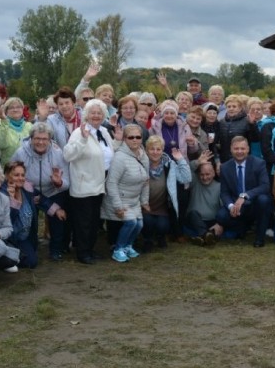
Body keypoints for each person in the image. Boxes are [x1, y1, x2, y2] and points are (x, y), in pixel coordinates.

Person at [62, 99, 114, 264]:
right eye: (93, 112)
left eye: (99, 113)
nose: (96, 116)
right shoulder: (79, 132)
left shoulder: (105, 132)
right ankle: (83, 253)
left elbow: (109, 154)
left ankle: (90, 249)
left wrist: (118, 140)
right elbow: (68, 155)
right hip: (83, 183)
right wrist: (83, 140)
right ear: (86, 115)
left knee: (94, 220)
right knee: (83, 221)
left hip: (99, 183)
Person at [11, 123, 70, 261]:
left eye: (44, 139)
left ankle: (56, 249)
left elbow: (67, 181)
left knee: (58, 218)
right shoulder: (20, 152)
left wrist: (59, 183)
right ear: (31, 138)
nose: (41, 142)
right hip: (28, 191)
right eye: (37, 138)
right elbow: (11, 175)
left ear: (50, 140)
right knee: (30, 220)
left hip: (53, 190)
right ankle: (31, 248)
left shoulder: (57, 152)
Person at [3, 160, 65, 269]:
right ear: (7, 175)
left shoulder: (27, 189)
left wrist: (56, 210)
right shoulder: (1, 193)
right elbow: (6, 220)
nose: (20, 178)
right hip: (7, 238)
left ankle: (11, 259)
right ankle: (4, 259)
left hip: (23, 238)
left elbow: (40, 199)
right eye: (16, 175)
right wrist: (12, 201)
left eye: (22, 175)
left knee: (32, 262)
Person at [212, 136, 272, 247]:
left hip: (254, 203)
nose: (239, 151)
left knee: (264, 199)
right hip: (237, 205)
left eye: (242, 148)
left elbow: (265, 186)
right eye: (236, 149)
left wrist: (245, 195)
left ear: (248, 149)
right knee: (221, 216)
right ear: (231, 149)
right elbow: (224, 192)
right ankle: (242, 227)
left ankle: (259, 238)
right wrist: (231, 206)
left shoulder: (259, 163)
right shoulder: (225, 167)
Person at [104, 124, 149, 262]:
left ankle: (128, 246)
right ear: (124, 139)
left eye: (138, 137)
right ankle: (118, 249)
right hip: (120, 198)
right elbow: (111, 183)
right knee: (130, 222)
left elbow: (146, 180)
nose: (135, 140)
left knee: (139, 224)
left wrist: (144, 201)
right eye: (131, 137)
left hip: (134, 199)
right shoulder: (119, 157)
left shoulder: (143, 155)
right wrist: (118, 206)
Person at [140, 136, 191, 251]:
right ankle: (147, 240)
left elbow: (186, 178)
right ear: (147, 150)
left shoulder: (170, 164)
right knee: (147, 222)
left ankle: (160, 237)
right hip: (144, 205)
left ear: (162, 150)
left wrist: (181, 160)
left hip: (162, 207)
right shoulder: (141, 164)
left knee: (162, 226)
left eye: (158, 149)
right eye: (152, 149)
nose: (155, 152)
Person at [185, 151, 221, 244]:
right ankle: (207, 235)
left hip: (211, 222)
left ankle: (202, 237)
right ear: (198, 174)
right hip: (193, 220)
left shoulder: (219, 186)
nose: (205, 177)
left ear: (213, 173)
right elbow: (186, 168)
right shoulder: (195, 182)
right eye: (202, 174)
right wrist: (198, 162)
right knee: (193, 214)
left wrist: (220, 224)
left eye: (208, 174)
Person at [216, 95, 259, 163]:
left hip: (242, 159)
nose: (231, 108)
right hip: (225, 160)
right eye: (229, 106)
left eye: (234, 106)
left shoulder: (247, 121)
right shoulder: (221, 122)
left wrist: (252, 124)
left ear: (240, 108)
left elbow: (255, 139)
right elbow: (217, 143)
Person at [0, 97, 32, 165]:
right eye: (11, 108)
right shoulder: (0, 124)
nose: (15, 110)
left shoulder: (29, 126)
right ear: (6, 111)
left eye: (18, 107)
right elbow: (1, 144)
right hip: (8, 168)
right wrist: (4, 121)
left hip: (27, 167)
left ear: (22, 109)